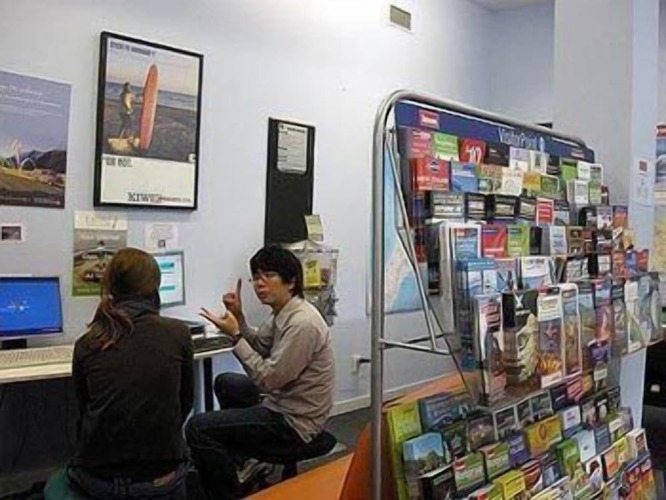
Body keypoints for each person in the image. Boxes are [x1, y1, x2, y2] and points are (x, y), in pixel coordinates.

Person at [186, 246, 336, 500]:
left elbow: (268, 379)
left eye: (269, 275)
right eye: (256, 277)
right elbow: (260, 345)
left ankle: (229, 493)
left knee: (197, 428)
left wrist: (235, 336)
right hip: (283, 402)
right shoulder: (283, 311)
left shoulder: (303, 323)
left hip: (294, 423)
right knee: (226, 382)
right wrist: (239, 317)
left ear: (291, 281)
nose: (259, 283)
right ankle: (245, 460)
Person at [46, 248, 194, 499]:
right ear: (155, 286)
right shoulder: (178, 333)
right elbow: (185, 401)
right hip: (162, 479)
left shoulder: (87, 343)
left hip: (99, 481)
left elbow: (84, 409)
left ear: (111, 285)